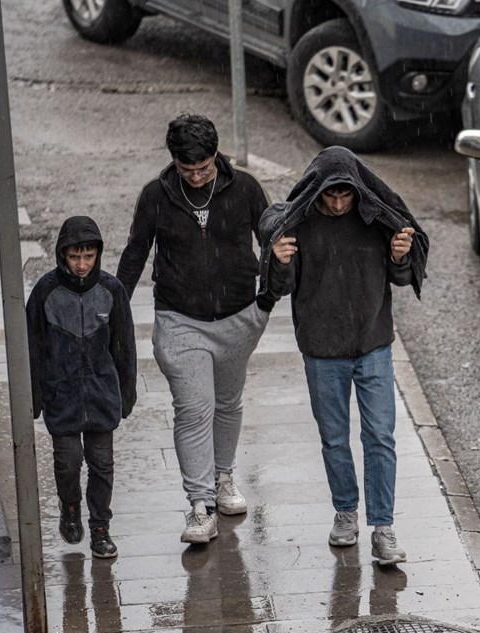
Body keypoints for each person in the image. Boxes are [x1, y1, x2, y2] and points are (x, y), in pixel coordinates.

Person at [261, 146, 429, 565]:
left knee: (380, 437)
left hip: (373, 344)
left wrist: (399, 256)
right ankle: (345, 513)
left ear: (357, 191)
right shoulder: (298, 225)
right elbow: (281, 287)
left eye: (345, 196)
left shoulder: (375, 218)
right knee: (334, 439)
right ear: (316, 191)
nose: (337, 204)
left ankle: (384, 527)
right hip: (321, 351)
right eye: (329, 197)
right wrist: (280, 262)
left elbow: (401, 277)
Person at [117, 113, 272, 544]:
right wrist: (113, 307)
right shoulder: (157, 196)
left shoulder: (245, 188)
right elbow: (135, 253)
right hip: (179, 319)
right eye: (189, 171)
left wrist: (268, 299)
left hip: (239, 316)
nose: (199, 177)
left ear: (216, 156)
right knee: (194, 408)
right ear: (174, 163)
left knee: (227, 403)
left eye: (205, 168)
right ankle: (200, 505)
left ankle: (224, 478)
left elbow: (275, 243)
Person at [26, 215, 137, 559]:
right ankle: (70, 506)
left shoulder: (111, 290)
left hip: (101, 394)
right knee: (68, 463)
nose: (82, 264)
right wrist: (34, 397)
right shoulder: (45, 292)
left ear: (97, 254)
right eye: (75, 257)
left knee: (102, 464)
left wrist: (126, 392)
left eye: (88, 256)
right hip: (62, 395)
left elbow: (124, 345)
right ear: (62, 255)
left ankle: (101, 528)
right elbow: (32, 348)